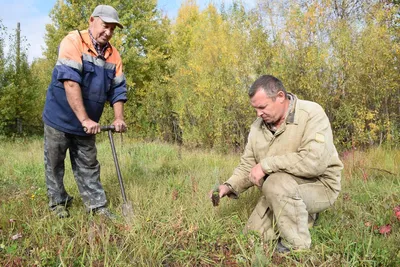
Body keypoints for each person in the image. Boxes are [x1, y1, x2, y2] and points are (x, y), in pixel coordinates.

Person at [210, 75, 343, 252]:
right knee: (252, 238)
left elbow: (314, 162)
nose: (258, 113)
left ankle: (297, 246)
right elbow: (248, 165)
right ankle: (302, 215)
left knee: (274, 183)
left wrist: (266, 165)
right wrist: (228, 186)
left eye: (262, 107)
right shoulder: (257, 127)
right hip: (281, 188)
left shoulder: (312, 113)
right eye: (255, 109)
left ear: (280, 96)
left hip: (320, 185)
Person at [42, 5, 127, 219]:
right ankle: (58, 203)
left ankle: (97, 206)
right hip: (60, 117)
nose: (108, 32)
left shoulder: (113, 55)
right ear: (92, 20)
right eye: (105, 26)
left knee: (88, 164)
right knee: (54, 164)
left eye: (112, 29)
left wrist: (118, 118)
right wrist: (85, 119)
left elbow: (117, 89)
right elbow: (70, 82)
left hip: (88, 123)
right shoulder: (72, 42)